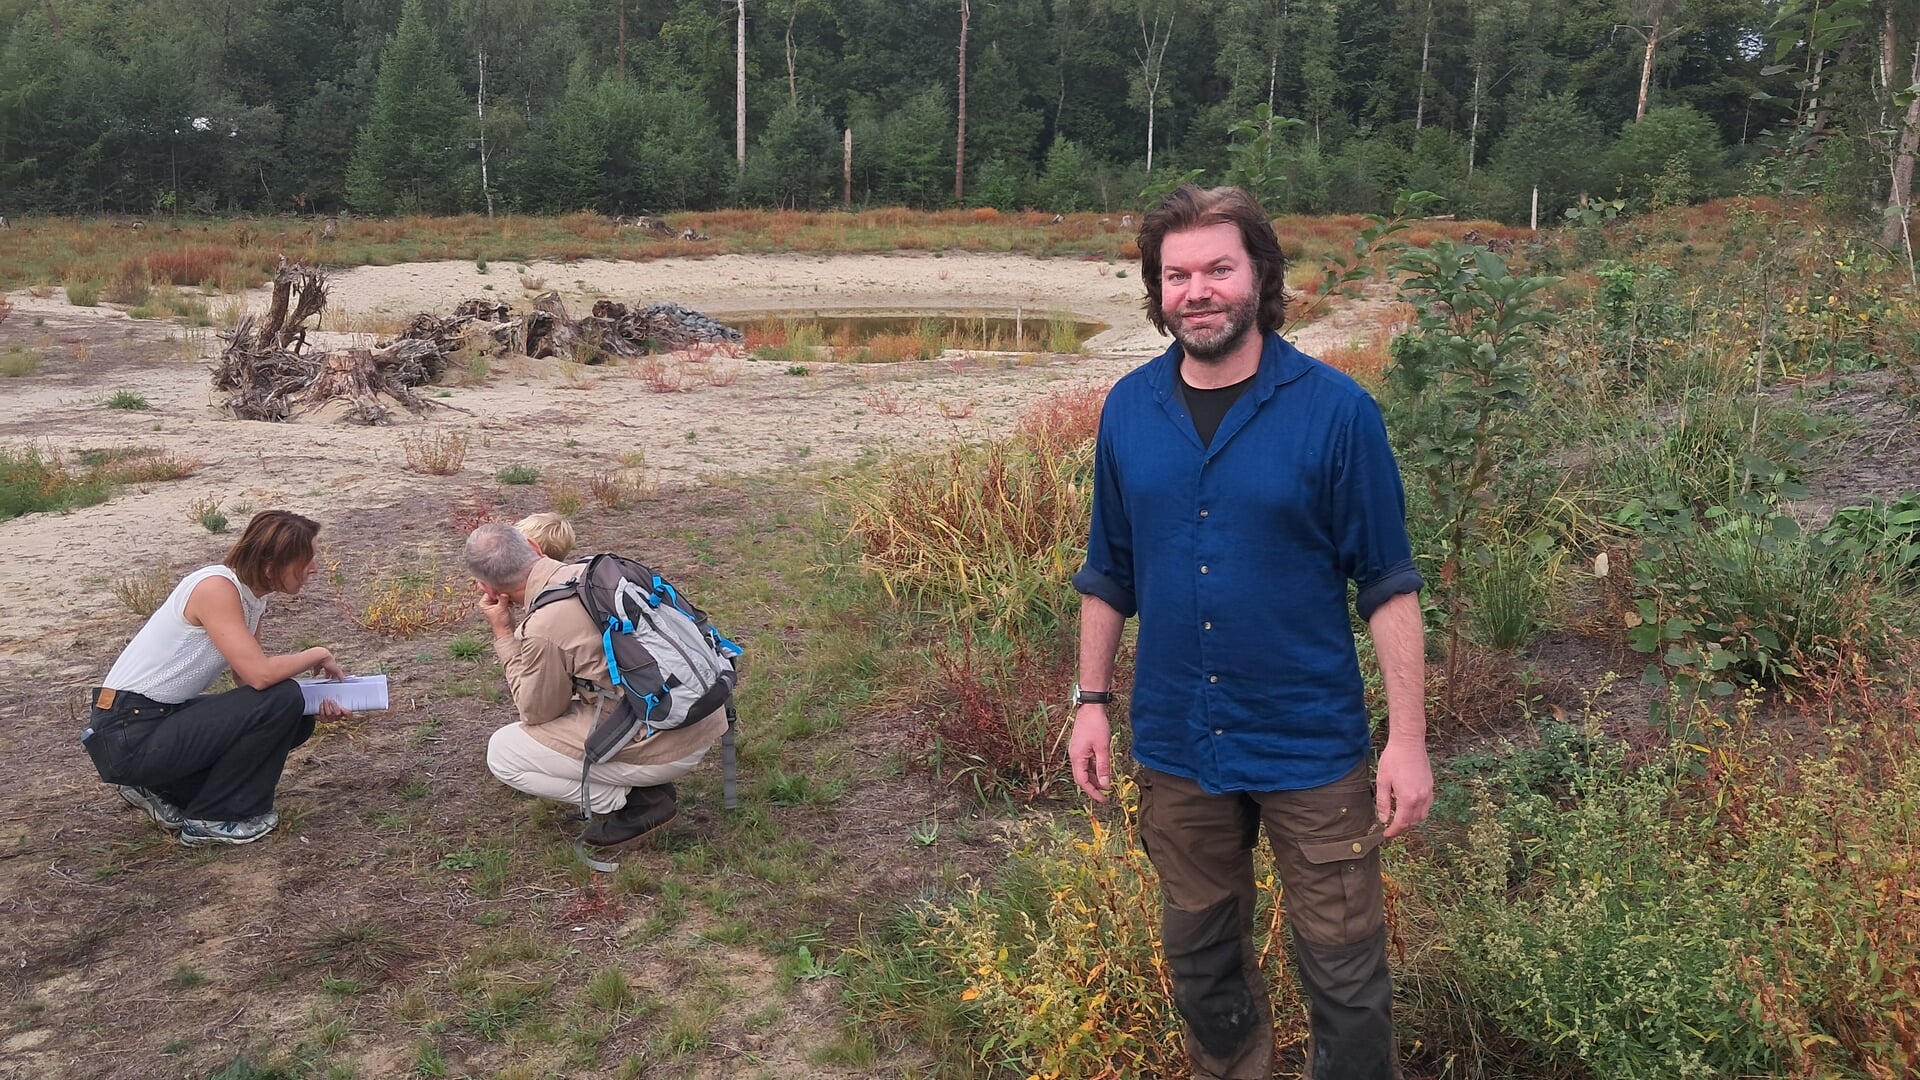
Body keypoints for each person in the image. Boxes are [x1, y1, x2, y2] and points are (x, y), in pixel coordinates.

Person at [1068, 185, 1432, 1080]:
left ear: (1259, 276)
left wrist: (1409, 741)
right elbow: (1109, 572)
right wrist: (1089, 702)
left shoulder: (1337, 412)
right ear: (1156, 292)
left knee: (1346, 976)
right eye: (1176, 274)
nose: (1197, 290)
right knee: (1203, 966)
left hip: (1310, 746)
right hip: (1179, 746)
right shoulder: (1127, 410)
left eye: (1217, 269)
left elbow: (1387, 585)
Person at [82, 510, 349, 846]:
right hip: (127, 730)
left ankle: (165, 787)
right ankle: (215, 817)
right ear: (271, 564)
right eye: (306, 558)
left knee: (294, 711)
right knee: (285, 698)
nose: (313, 568)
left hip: (154, 722)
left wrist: (313, 704)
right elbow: (260, 675)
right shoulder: (216, 587)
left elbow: (248, 683)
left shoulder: (253, 598)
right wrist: (318, 653)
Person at [463, 523, 726, 846]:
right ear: (534, 546)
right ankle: (641, 784)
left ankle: (639, 802)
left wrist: (504, 634)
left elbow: (536, 711)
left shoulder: (544, 626)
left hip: (667, 741)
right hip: (706, 709)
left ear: (487, 588)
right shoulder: (600, 568)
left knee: (505, 751)